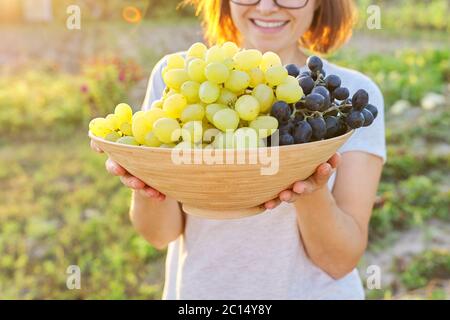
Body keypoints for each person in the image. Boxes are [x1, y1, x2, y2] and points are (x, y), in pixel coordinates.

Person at [91, 0, 386, 299]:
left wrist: (309, 185)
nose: (267, 7)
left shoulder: (345, 102)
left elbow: (339, 262)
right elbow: (158, 235)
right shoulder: (181, 78)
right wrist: (147, 177)